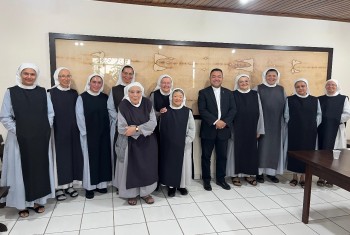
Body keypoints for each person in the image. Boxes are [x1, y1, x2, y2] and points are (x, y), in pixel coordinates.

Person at [0, 63, 55, 218]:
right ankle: (21, 204)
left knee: (39, 170)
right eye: (26, 74)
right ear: (20, 74)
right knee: (20, 171)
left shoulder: (43, 92)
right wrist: (21, 131)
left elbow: (50, 114)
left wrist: (43, 129)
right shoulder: (11, 92)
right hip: (19, 139)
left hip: (39, 139)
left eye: (32, 74)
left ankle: (38, 201)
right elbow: (5, 116)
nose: (29, 77)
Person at [115, 82, 158, 205]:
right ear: (127, 93)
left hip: (147, 143)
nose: (135, 95)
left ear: (142, 92)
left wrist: (136, 129)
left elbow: (153, 123)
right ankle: (131, 194)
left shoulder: (147, 103)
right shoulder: (123, 105)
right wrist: (141, 129)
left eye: (138, 92)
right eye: (132, 92)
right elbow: (122, 129)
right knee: (130, 169)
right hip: (129, 144)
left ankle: (145, 193)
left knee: (146, 168)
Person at [198, 68, 236, 191]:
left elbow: (233, 110)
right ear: (210, 78)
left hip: (224, 130)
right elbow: (202, 110)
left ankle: (221, 179)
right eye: (214, 76)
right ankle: (206, 180)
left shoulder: (229, 93)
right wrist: (216, 121)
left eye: (219, 76)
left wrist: (224, 122)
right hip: (209, 129)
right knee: (206, 157)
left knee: (222, 157)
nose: (216, 78)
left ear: (222, 78)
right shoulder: (203, 93)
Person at [49, 67, 84, 201]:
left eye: (68, 76)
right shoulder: (50, 93)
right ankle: (59, 188)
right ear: (57, 77)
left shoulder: (74, 93)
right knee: (60, 158)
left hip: (73, 131)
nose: (66, 78)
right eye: (62, 76)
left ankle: (69, 185)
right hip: (58, 130)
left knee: (71, 157)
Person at [76, 73, 112, 199]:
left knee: (103, 158)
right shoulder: (82, 97)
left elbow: (109, 114)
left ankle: (102, 185)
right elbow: (79, 116)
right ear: (89, 83)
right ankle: (89, 187)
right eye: (94, 82)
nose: (96, 84)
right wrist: (85, 133)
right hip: (89, 134)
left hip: (103, 133)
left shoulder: (105, 97)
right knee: (89, 160)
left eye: (99, 82)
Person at [227, 74, 265, 186]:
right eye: (241, 82)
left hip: (252, 128)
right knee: (235, 152)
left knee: (250, 152)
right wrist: (231, 130)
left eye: (246, 81)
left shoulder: (255, 95)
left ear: (249, 82)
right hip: (237, 128)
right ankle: (235, 175)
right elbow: (230, 113)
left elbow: (260, 113)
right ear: (237, 83)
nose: (244, 83)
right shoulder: (233, 94)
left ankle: (248, 175)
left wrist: (259, 129)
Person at [285, 78, 322, 188]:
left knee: (307, 154)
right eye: (298, 86)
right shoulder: (290, 99)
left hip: (309, 132)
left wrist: (313, 125)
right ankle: (294, 176)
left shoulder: (315, 100)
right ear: (295, 88)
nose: (300, 88)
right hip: (294, 131)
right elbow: (286, 115)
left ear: (307, 87)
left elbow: (319, 114)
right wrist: (292, 124)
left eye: (302, 86)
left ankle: (303, 177)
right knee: (294, 153)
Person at [159, 88, 195, 197]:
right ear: (171, 97)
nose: (177, 98)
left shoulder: (187, 111)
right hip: (169, 146)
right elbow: (161, 128)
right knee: (170, 165)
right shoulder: (165, 111)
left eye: (180, 96)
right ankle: (171, 187)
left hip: (183, 145)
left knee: (183, 165)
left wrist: (186, 140)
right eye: (175, 96)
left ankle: (182, 186)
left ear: (183, 98)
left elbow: (192, 128)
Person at [254, 68, 286, 184]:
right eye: (269, 76)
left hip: (277, 124)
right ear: (265, 76)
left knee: (274, 149)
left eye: (274, 76)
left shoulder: (281, 89)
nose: (271, 78)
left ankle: (271, 173)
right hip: (262, 124)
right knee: (261, 148)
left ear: (277, 77)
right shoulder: (258, 88)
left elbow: (285, 107)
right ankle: (259, 173)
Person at [317, 79, 350, 187]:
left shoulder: (343, 99)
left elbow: (347, 114)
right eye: (328, 85)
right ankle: (321, 176)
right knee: (322, 154)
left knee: (334, 155)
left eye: (333, 85)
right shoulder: (320, 99)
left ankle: (331, 178)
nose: (330, 86)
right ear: (325, 87)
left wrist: (332, 119)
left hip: (336, 130)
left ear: (337, 86)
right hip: (322, 130)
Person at [107, 65, 135, 190]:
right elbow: (110, 108)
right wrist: (120, 120)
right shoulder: (115, 90)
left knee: (134, 155)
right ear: (121, 74)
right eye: (125, 73)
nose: (127, 76)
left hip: (134, 129)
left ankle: (133, 181)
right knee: (120, 154)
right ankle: (119, 183)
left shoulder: (137, 88)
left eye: (130, 73)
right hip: (120, 127)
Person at [149, 74, 173, 190]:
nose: (166, 85)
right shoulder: (154, 95)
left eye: (168, 83)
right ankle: (157, 181)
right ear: (160, 83)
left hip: (171, 131)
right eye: (163, 82)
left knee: (169, 156)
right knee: (157, 155)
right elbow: (150, 111)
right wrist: (160, 113)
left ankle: (169, 181)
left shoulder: (175, 95)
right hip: (156, 130)